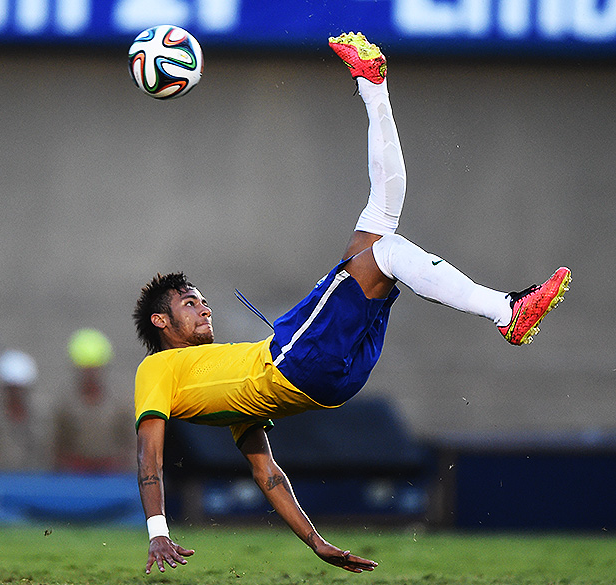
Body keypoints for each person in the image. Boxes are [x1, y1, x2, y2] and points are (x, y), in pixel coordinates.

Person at [132, 32, 571, 575]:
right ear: (161, 321)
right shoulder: (158, 370)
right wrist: (158, 530)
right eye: (188, 302)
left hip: (332, 377)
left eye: (200, 298)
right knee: (382, 248)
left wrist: (317, 543)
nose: (203, 307)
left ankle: (373, 86)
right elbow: (148, 456)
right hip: (296, 360)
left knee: (378, 228)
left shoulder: (221, 394)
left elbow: (267, 473)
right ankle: (507, 312)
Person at [53, 329, 134, 473]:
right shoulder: (65, 406)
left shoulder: (119, 405)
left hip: (112, 475)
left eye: (94, 369)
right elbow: (57, 445)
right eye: (85, 370)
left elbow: (129, 444)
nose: (90, 375)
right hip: (75, 475)